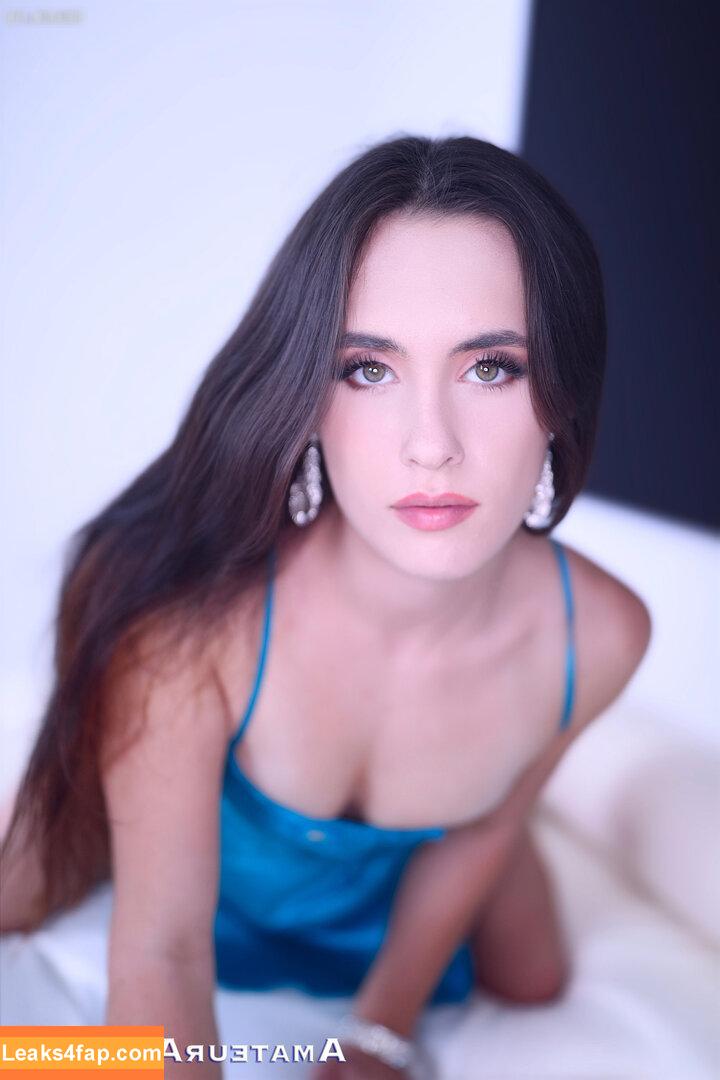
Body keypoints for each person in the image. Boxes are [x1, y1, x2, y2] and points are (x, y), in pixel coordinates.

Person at [0, 134, 651, 1079]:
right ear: (305, 394)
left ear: (562, 394)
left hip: (434, 849)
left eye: (491, 368)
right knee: (22, 950)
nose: (431, 446)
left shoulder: (605, 633)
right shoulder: (193, 627)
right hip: (207, 863)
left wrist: (380, 1030)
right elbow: (162, 954)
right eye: (368, 369)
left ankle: (438, 799)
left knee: (533, 977)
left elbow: (487, 828)